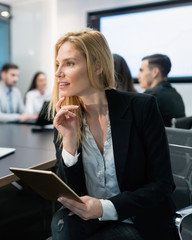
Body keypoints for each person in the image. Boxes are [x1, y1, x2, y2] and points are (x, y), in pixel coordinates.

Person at [50, 29, 176, 240]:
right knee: (62, 225)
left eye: (69, 63)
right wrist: (70, 142)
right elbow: (70, 194)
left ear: (97, 66)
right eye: (57, 65)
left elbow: (162, 185)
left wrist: (104, 208)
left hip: (136, 217)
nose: (58, 73)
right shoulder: (66, 118)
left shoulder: (141, 107)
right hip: (89, 220)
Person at [137, 54, 185, 127]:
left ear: (155, 72)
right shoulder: (176, 95)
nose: (138, 76)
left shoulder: (150, 96)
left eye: (141, 71)